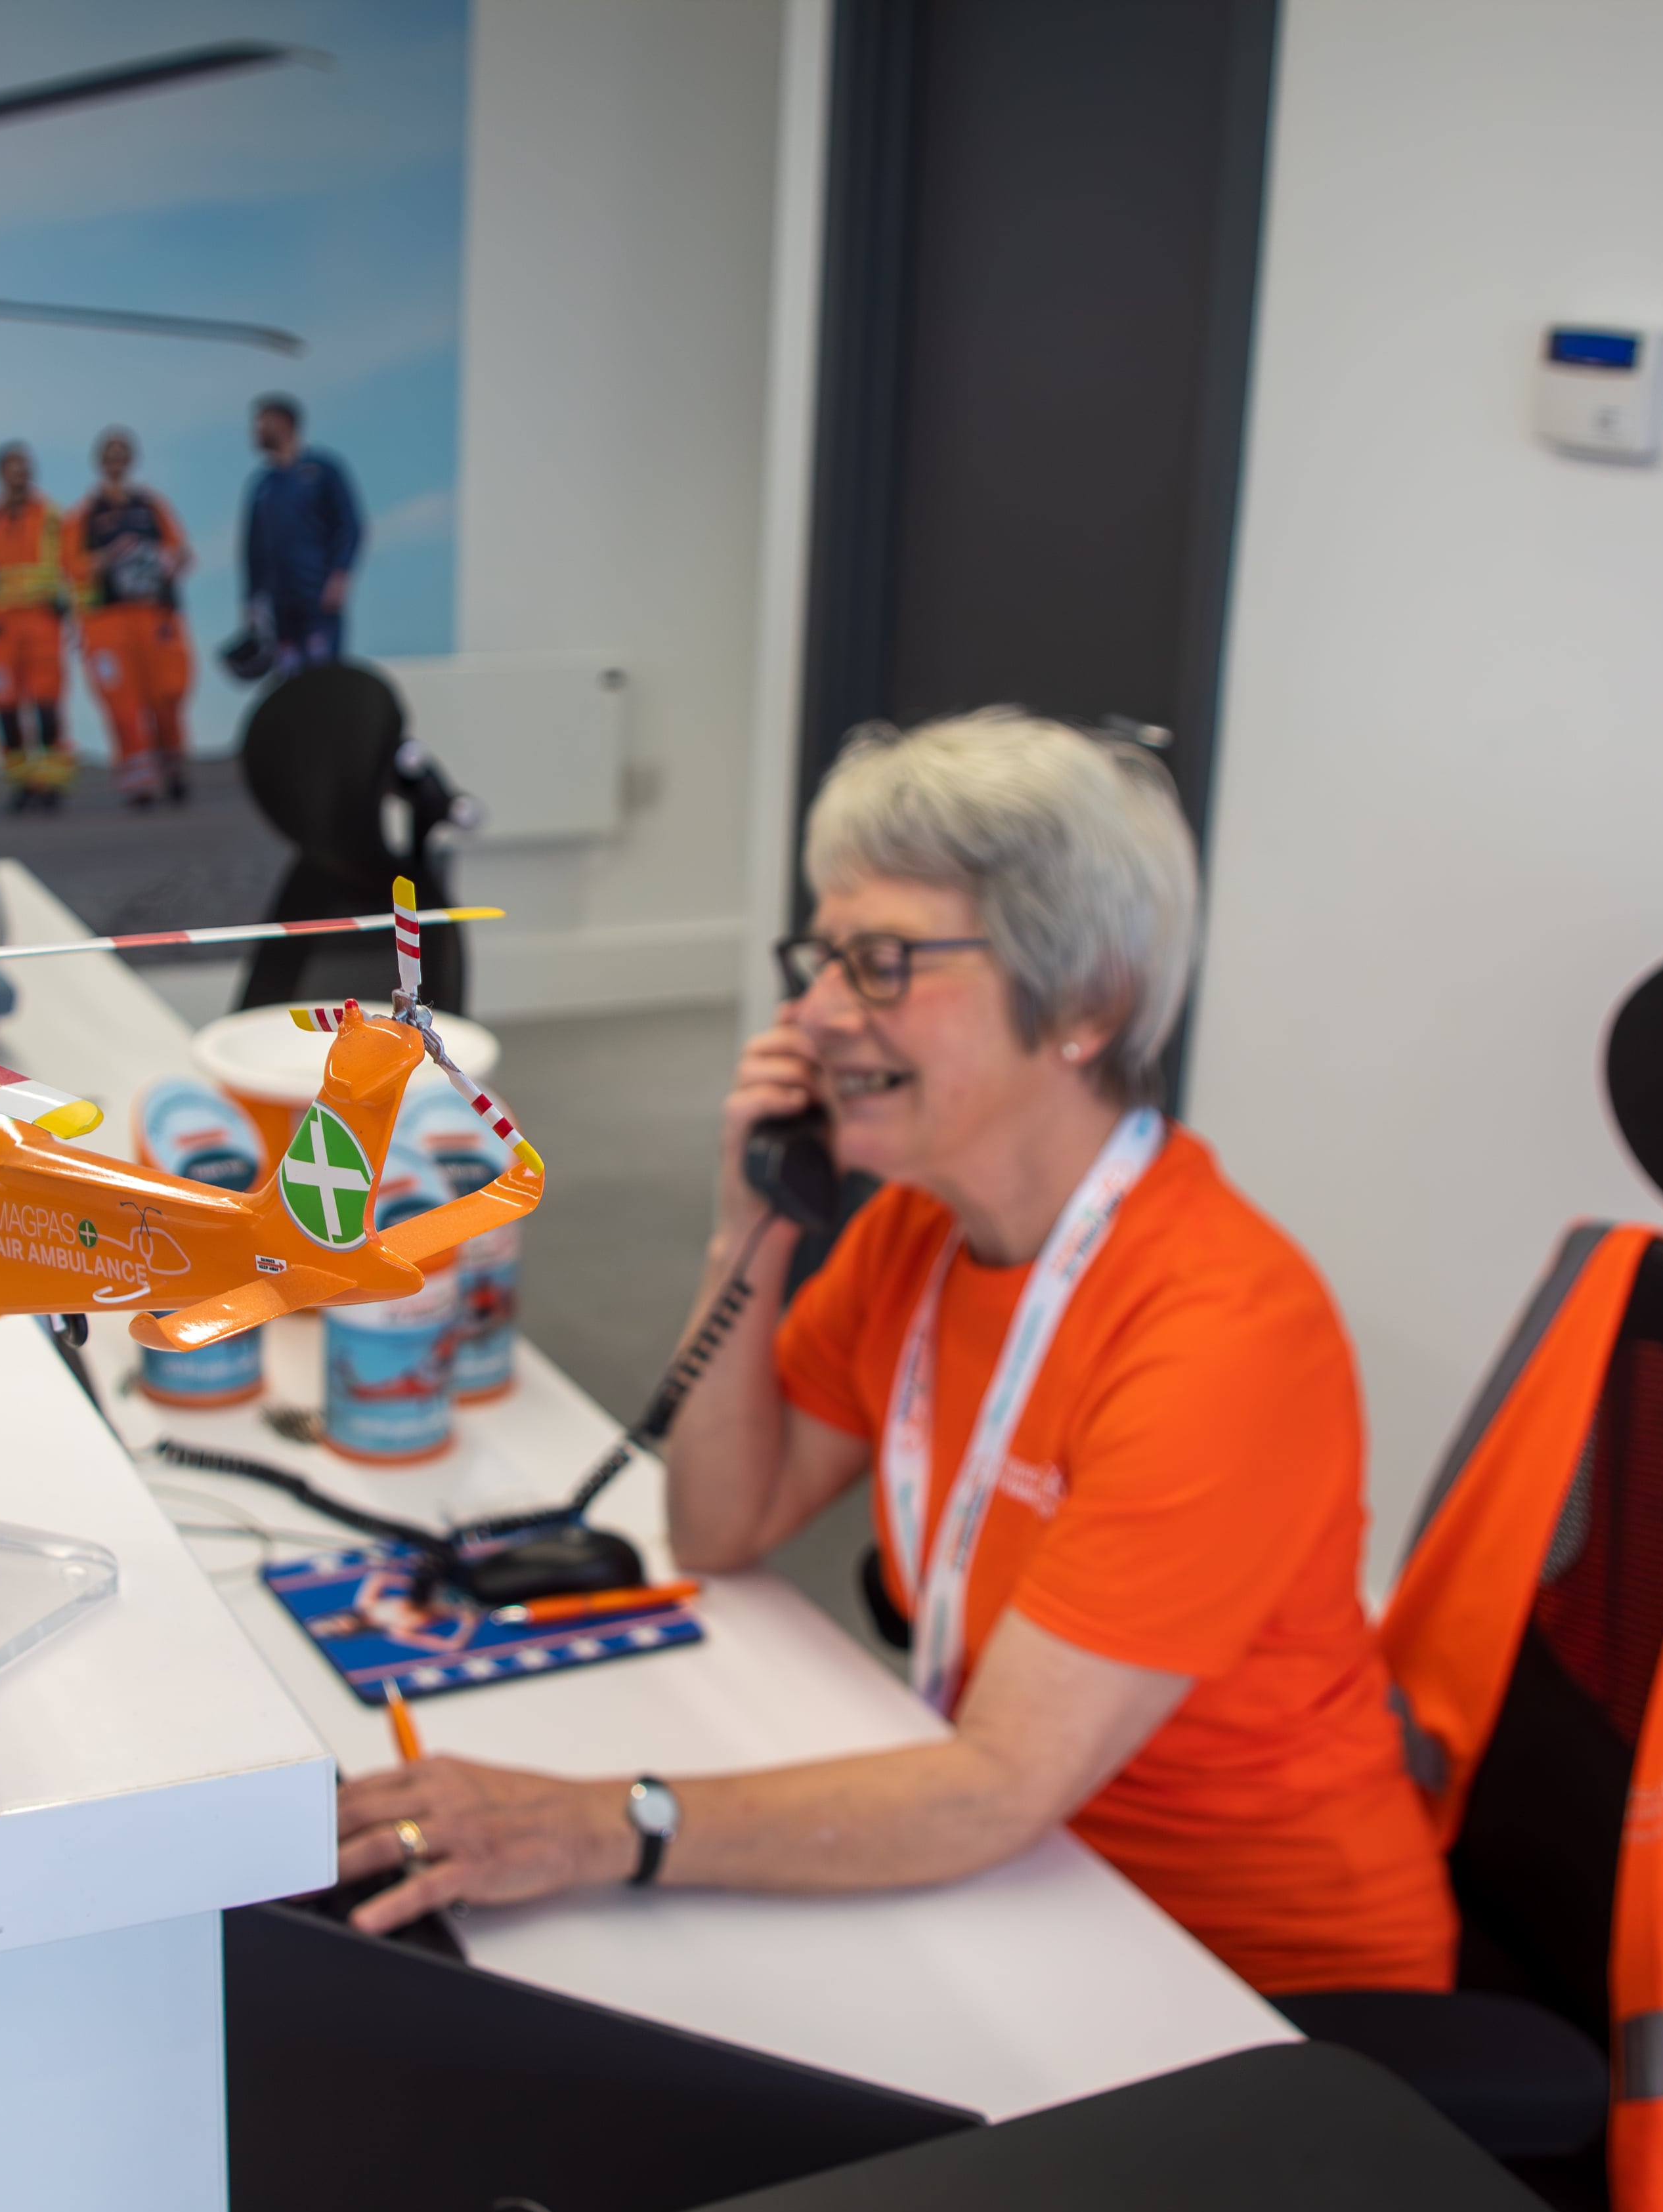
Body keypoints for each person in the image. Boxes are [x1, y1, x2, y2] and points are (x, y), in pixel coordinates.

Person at [334, 710, 1458, 2005]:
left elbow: (995, 1788)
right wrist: (750, 1227)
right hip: (1030, 1889)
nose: (813, 1014)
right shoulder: (918, 1235)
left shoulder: (1220, 1332)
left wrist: (595, 1824)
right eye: (820, 959)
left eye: (879, 965)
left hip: (1249, 1978)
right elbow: (718, 1525)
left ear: (1085, 1003)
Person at [0, 441, 87, 814]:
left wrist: (81, 620)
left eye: (25, 467)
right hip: (1, 628)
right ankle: (20, 781)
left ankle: (51, 782)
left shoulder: (54, 519)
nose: (20, 475)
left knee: (47, 704)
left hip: (43, 623)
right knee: (5, 706)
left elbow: (77, 570)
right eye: (13, 468)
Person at [77, 425, 198, 808]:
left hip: (155, 616)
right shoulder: (86, 514)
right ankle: (138, 781)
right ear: (100, 462)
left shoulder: (151, 507)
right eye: (109, 456)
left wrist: (165, 560)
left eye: (122, 455)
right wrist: (110, 556)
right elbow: (72, 566)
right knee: (123, 704)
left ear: (131, 460)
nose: (116, 463)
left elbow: (181, 551)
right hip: (109, 621)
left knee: (168, 694)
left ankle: (173, 766)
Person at [239, 392, 362, 672]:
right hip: (279, 605)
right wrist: (251, 600)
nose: (255, 432)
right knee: (290, 680)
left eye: (262, 424)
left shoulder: (322, 471)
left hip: (317, 595)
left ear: (284, 424)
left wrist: (340, 574)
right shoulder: (263, 485)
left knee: (322, 677)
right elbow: (252, 548)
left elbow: (349, 525)